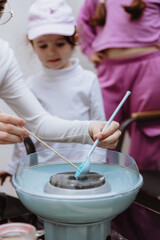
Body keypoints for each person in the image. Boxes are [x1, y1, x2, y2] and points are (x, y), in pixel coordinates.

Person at [77, 0, 160, 239]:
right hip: (110, 68)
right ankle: (110, 226)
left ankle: (145, 232)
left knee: (145, 152)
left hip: (150, 67)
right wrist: (92, 52)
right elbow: (82, 22)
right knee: (102, 138)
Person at [0, 0, 106, 183]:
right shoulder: (32, 83)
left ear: (75, 40)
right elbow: (28, 135)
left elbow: (37, 123)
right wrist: (13, 167)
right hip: (42, 171)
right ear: (32, 45)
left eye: (0, 7)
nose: (51, 52)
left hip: (80, 169)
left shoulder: (4, 57)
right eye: (43, 46)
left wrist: (90, 133)